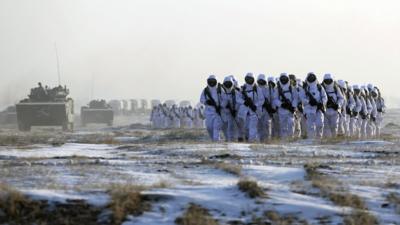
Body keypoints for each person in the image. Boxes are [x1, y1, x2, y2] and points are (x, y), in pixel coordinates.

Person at [300, 72, 327, 139]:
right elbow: (302, 98)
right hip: (309, 110)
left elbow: (324, 97)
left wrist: (322, 103)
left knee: (320, 124)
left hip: (318, 109)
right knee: (310, 127)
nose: (311, 78)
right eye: (310, 77)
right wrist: (309, 101)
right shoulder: (304, 88)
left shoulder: (319, 87)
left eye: (312, 77)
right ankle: (311, 141)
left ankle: (318, 139)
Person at [237, 73, 264, 142]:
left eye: (250, 79)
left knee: (252, 128)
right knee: (246, 128)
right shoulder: (242, 89)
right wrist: (244, 102)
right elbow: (237, 98)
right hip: (245, 113)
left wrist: (255, 105)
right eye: (248, 79)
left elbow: (261, 100)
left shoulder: (257, 89)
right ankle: (248, 139)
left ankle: (251, 142)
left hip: (254, 112)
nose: (249, 80)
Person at [273, 73, 298, 139]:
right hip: (282, 111)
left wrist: (293, 106)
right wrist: (281, 104)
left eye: (285, 78)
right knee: (283, 127)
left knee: (291, 124)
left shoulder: (292, 88)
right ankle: (284, 140)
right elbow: (275, 99)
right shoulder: (277, 89)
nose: (283, 80)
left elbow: (295, 98)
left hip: (290, 111)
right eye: (282, 79)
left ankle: (290, 139)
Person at [200, 75, 223, 141]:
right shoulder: (205, 90)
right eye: (210, 81)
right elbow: (201, 99)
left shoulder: (220, 89)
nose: (212, 82)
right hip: (209, 112)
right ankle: (214, 139)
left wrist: (221, 106)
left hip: (217, 112)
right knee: (209, 127)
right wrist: (207, 102)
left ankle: (216, 141)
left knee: (216, 127)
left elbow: (224, 99)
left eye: (213, 81)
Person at [321, 74, 344, 138]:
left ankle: (333, 139)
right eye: (326, 81)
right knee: (326, 127)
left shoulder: (336, 88)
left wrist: (338, 105)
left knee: (334, 126)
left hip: (334, 111)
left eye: (329, 80)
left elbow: (341, 98)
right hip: (325, 111)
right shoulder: (322, 88)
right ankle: (328, 141)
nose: (328, 82)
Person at [221, 76, 242, 141]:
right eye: (226, 83)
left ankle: (240, 138)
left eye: (229, 83)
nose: (227, 85)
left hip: (237, 112)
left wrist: (235, 110)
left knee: (239, 125)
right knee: (229, 127)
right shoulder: (223, 94)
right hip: (228, 113)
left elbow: (239, 103)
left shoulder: (236, 93)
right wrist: (226, 106)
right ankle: (230, 139)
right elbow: (222, 104)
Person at [257, 74, 274, 141]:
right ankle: (260, 140)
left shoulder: (268, 89)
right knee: (259, 126)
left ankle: (267, 139)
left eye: (262, 81)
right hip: (259, 110)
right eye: (260, 81)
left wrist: (271, 108)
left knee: (267, 125)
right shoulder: (256, 89)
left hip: (267, 110)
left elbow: (272, 98)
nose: (261, 82)